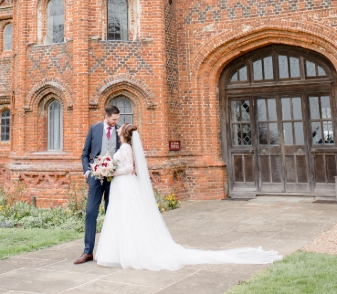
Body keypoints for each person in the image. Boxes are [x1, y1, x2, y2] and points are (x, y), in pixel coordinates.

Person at [95, 124, 283, 271]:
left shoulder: (126, 148)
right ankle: (121, 252)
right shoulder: (126, 146)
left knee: (128, 216)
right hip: (123, 185)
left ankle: (131, 253)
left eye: (120, 127)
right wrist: (108, 169)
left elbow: (128, 169)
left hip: (125, 183)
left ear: (124, 133)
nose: (118, 128)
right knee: (122, 216)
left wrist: (110, 171)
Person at [74, 105, 121, 265]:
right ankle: (88, 252)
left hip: (113, 178)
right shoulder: (94, 129)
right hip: (95, 177)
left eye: (117, 119)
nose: (116, 122)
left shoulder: (120, 131)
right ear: (106, 116)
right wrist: (87, 172)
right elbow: (84, 154)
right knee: (91, 212)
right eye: (114, 119)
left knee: (111, 213)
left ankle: (111, 251)